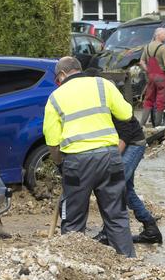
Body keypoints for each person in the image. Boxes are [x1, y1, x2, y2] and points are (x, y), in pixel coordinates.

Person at [42, 56, 135, 257]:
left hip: (77, 163)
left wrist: (59, 164)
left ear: (62, 75)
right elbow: (126, 113)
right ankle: (129, 266)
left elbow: (52, 141)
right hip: (110, 159)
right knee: (117, 216)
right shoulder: (103, 85)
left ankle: (72, 266)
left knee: (73, 220)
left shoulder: (55, 97)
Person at [93, 115, 163, 245]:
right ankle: (151, 229)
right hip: (121, 144)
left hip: (133, 144)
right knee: (127, 191)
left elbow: (125, 134)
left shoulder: (110, 99)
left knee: (115, 186)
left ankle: (108, 232)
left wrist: (112, 159)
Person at [139, 27, 165, 127]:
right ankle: (158, 126)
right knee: (160, 101)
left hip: (151, 76)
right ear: (158, 35)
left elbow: (142, 62)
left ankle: (142, 124)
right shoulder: (164, 48)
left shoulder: (147, 47)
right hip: (161, 77)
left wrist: (148, 70)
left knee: (148, 99)